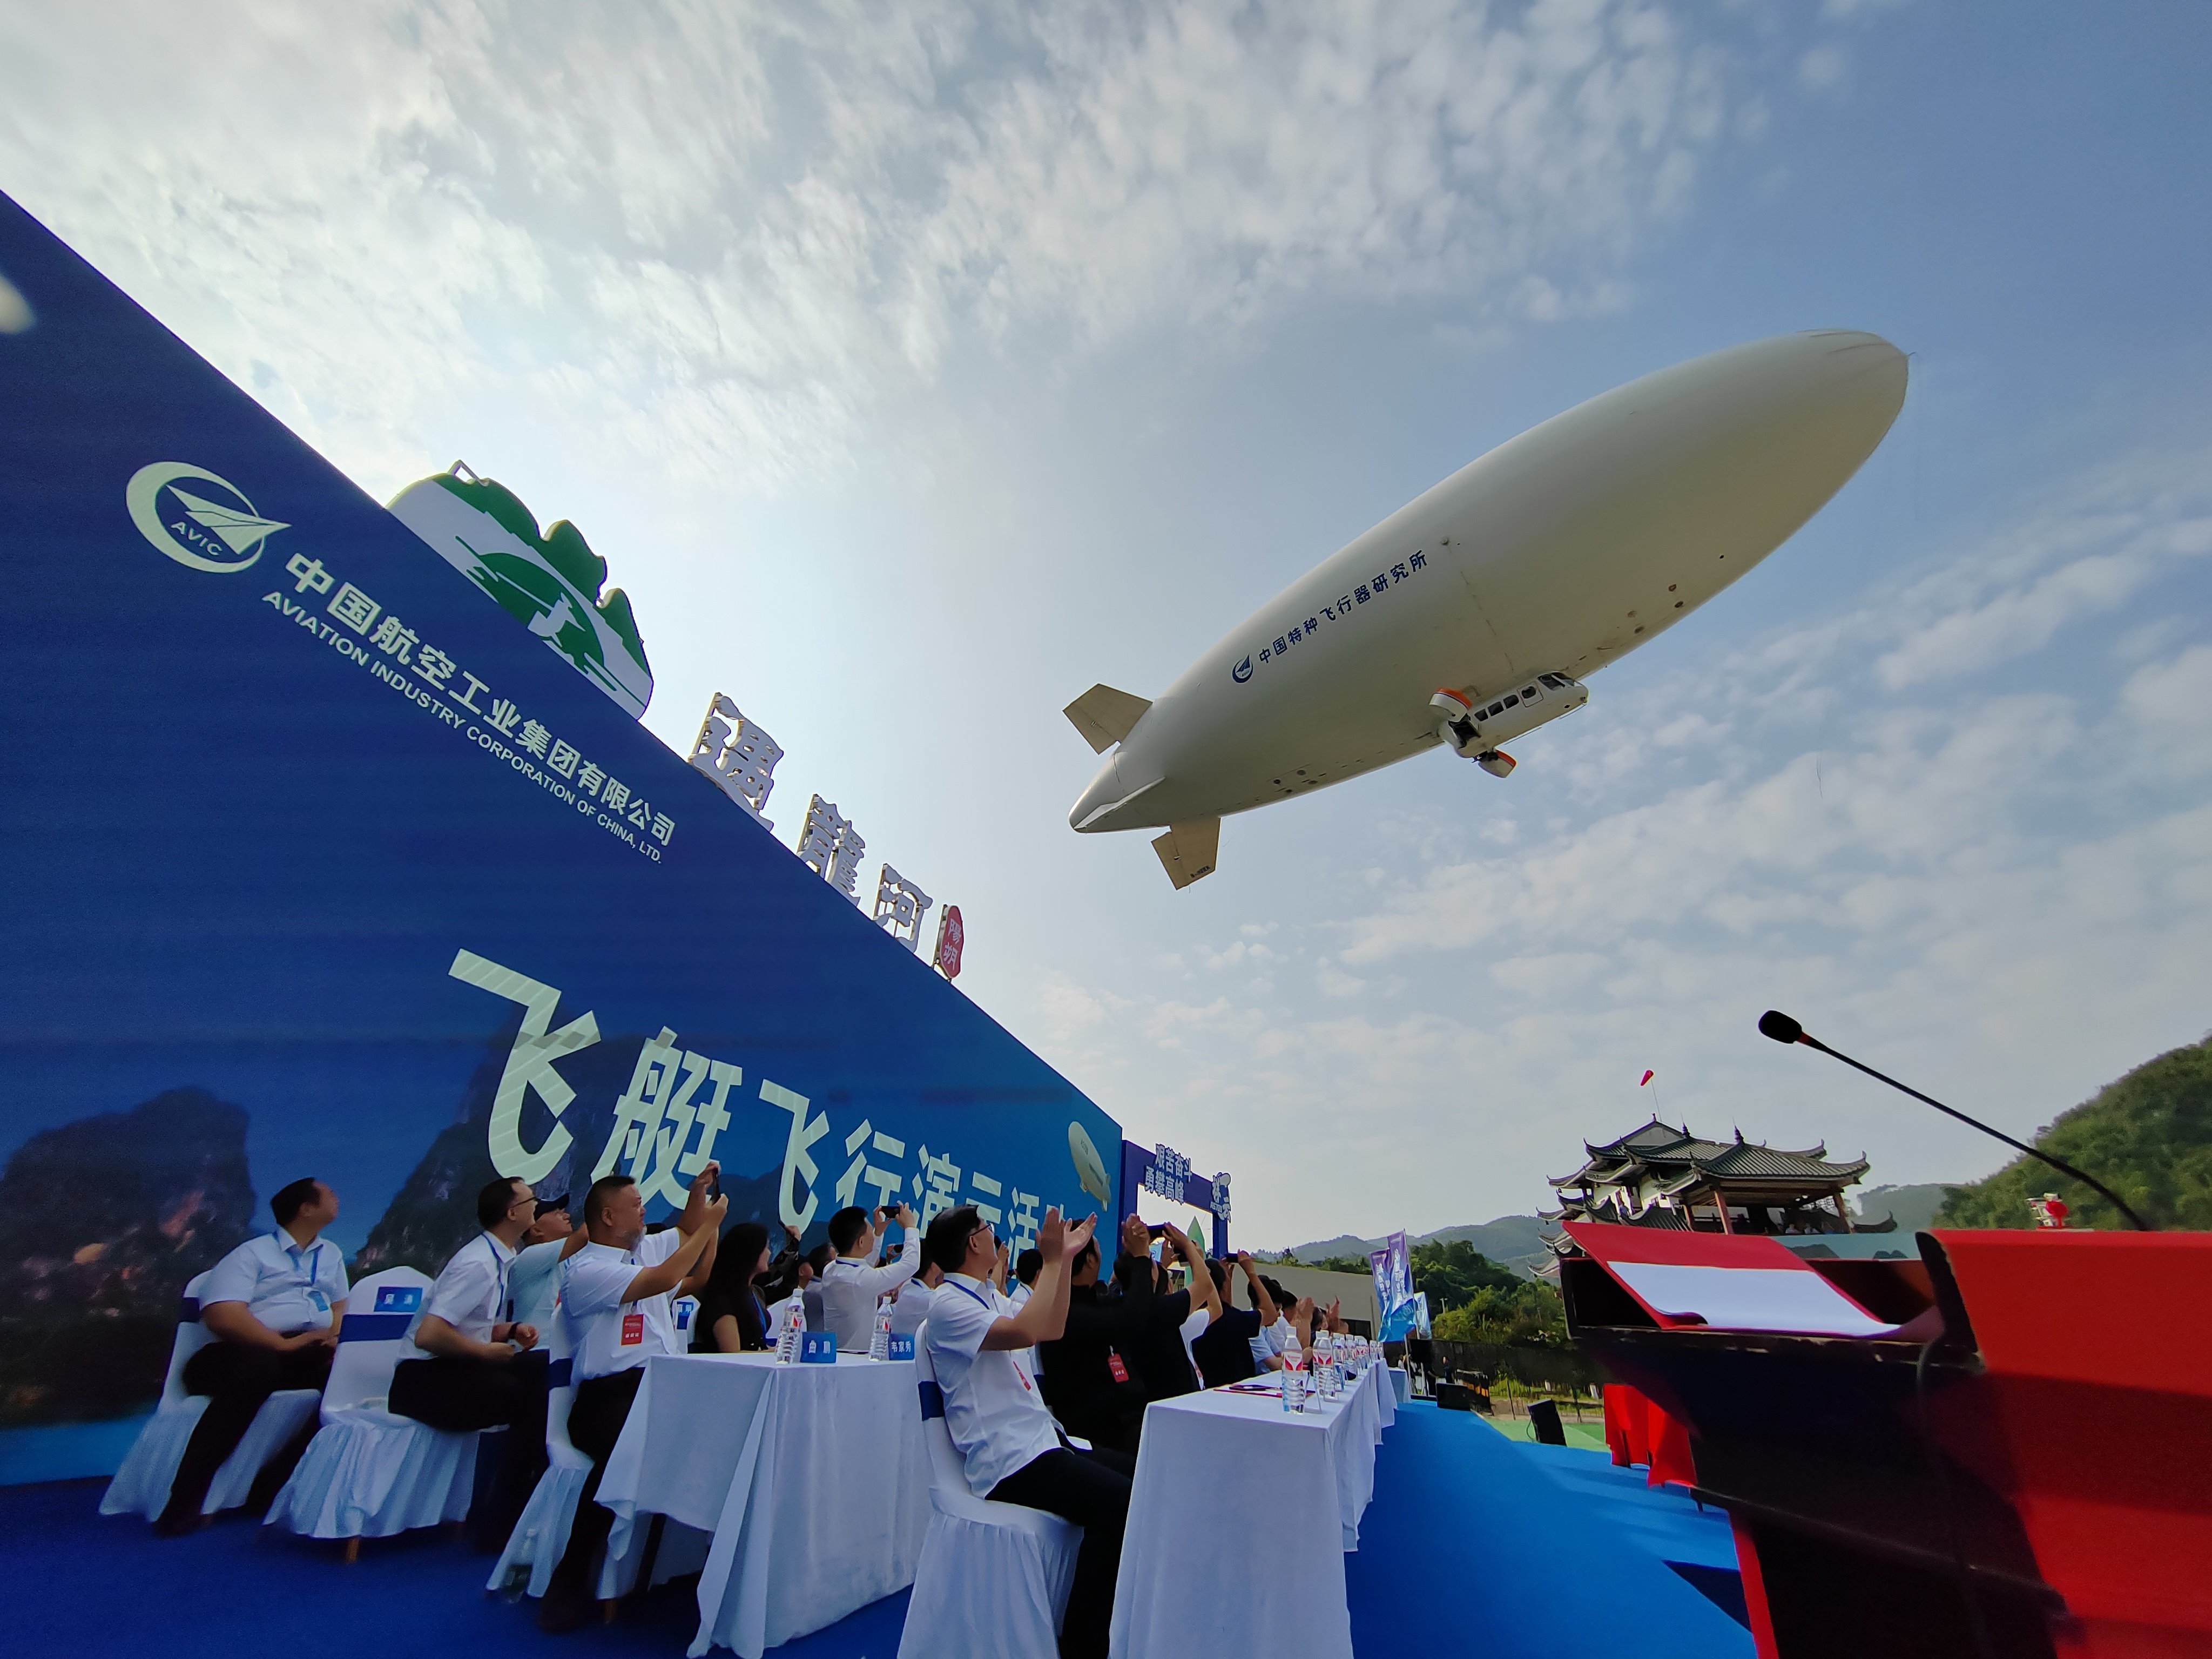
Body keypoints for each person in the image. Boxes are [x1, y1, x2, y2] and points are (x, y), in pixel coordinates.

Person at [922, 1203, 1131, 1659]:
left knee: (1137, 1477)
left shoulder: (986, 1296)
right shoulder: (947, 1305)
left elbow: (1050, 1325)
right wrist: (1055, 1261)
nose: (995, 1235)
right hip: (1010, 1461)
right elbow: (1027, 1330)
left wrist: (1065, 1260)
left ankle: (1106, 1620)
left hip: (1040, 1443)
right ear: (974, 1244)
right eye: (986, 1229)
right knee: (1118, 1506)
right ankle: (1082, 1643)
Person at [537, 1165, 725, 1634]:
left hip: (661, 1386)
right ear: (607, 1216)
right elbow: (666, 1277)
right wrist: (709, 1226)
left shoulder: (641, 1250)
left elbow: (684, 1230)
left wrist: (699, 1194)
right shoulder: (586, 1271)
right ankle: (571, 1576)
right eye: (636, 1205)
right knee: (625, 1443)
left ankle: (704, 1564)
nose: (645, 1211)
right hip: (607, 1396)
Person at [156, 1176, 348, 1535]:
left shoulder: (332, 1255)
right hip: (239, 1352)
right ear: (306, 1208)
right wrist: (282, 1344)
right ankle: (184, 1500)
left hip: (301, 1350)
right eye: (329, 1194)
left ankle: (270, 1486)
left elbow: (340, 1305)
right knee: (257, 1370)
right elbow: (222, 1316)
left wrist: (332, 1337)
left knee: (344, 1384)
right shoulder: (252, 1254)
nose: (338, 1198)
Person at [385, 1177, 554, 1549]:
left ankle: (519, 1504)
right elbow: (429, 1336)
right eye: (532, 1200)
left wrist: (508, 1330)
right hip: (421, 1381)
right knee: (522, 1397)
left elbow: (467, 1326)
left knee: (544, 1368)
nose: (536, 1207)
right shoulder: (477, 1264)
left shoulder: (496, 1260)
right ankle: (501, 1522)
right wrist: (485, 1353)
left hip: (448, 1370)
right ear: (513, 1213)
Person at [1111, 1216, 1204, 1404]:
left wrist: (1139, 1250)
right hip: (1172, 1408)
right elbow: (1205, 1286)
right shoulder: (1162, 1309)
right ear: (1153, 1274)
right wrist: (1187, 1246)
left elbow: (1119, 1275)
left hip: (1141, 1408)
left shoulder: (1113, 1307)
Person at [818, 1202, 920, 1351]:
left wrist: (878, 1233)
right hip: (853, 1359)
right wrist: (910, 1227)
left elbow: (865, 1263)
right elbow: (910, 1265)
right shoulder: (857, 1280)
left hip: (840, 1353)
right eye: (870, 1232)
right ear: (861, 1242)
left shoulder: (833, 1269)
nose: (872, 1234)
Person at [1192, 1253, 1278, 1388]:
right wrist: (1251, 1273)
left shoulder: (1195, 1318)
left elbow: (1223, 1309)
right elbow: (1271, 1314)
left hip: (1211, 1390)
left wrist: (1227, 1281)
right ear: (1224, 1286)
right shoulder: (1234, 1319)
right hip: (1239, 1390)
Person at [696, 1220, 774, 1353]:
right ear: (751, 1253)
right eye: (765, 1248)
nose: (769, 1253)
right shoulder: (723, 1301)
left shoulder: (753, 1293)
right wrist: (775, 1353)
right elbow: (732, 1354)